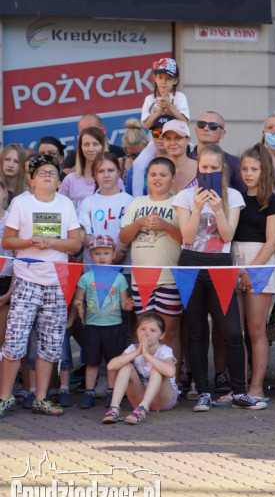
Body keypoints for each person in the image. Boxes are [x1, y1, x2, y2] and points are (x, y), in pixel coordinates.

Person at [173, 145, 260, 411]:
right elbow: (187, 238)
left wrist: (218, 208)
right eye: (204, 167)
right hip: (191, 265)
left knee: (233, 331)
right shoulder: (185, 196)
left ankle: (239, 392)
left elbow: (227, 235)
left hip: (221, 265)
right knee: (197, 332)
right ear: (198, 168)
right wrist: (198, 208)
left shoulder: (232, 195)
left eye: (213, 168)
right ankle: (203, 392)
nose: (208, 172)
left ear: (221, 169)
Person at [0, 154, 83, 418]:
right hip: (26, 280)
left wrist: (50, 243)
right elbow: (8, 240)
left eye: (52, 173)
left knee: (50, 345)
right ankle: (4, 397)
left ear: (59, 181)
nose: (47, 176)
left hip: (56, 283)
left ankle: (41, 398)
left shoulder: (66, 204)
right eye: (42, 173)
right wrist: (29, 243)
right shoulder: (20, 203)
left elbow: (75, 244)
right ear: (32, 181)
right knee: (14, 342)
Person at [232, 145, 275, 402]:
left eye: (254, 169)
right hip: (233, 260)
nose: (248, 173)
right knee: (234, 330)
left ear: (264, 170)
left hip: (260, 263)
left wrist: (249, 272)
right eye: (244, 169)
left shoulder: (272, 201)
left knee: (255, 329)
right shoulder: (235, 199)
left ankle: (256, 386)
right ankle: (239, 386)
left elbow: (272, 243)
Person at [119, 158, 184, 369]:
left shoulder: (178, 203)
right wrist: (139, 222)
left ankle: (173, 379)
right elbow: (124, 237)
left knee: (170, 331)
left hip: (170, 278)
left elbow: (186, 238)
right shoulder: (137, 204)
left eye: (163, 175)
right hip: (141, 280)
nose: (157, 179)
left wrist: (165, 225)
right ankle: (146, 375)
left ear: (173, 178)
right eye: (153, 175)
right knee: (145, 331)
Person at [71, 235, 131, 410]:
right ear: (91, 256)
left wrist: (128, 305)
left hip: (114, 327)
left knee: (112, 363)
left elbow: (124, 303)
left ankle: (112, 393)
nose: (102, 257)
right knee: (91, 362)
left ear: (113, 255)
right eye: (97, 253)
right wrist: (78, 305)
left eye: (106, 253)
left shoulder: (119, 278)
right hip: (92, 327)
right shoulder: (86, 278)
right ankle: (89, 393)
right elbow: (79, 298)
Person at [101, 312, 178, 424]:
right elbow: (111, 366)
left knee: (157, 369)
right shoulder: (133, 348)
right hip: (139, 397)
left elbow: (170, 372)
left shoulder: (164, 350)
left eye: (153, 330)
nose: (147, 334)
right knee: (126, 367)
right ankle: (114, 408)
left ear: (161, 335)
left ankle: (143, 409)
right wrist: (137, 352)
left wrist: (147, 355)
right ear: (137, 332)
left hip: (162, 400)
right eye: (143, 329)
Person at [77, 152, 132, 266]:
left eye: (110, 170)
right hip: (93, 271)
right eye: (101, 171)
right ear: (95, 175)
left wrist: (115, 257)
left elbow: (127, 237)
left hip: (123, 270)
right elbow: (85, 236)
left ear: (119, 172)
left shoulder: (130, 201)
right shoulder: (87, 203)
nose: (106, 175)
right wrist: (103, 258)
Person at [60, 126, 121, 207]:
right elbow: (61, 209)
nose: (91, 149)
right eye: (86, 145)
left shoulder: (114, 179)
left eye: (95, 144)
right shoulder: (70, 180)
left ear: (103, 146)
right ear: (80, 148)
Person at [191, 112, 246, 194]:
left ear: (222, 133)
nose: (206, 128)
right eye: (201, 124)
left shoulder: (235, 163)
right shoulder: (185, 158)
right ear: (196, 130)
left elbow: (243, 195)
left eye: (213, 126)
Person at [141, 57, 189, 129]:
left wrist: (169, 106)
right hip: (157, 138)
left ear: (175, 80)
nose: (163, 82)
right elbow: (147, 126)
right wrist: (160, 110)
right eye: (160, 78)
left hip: (175, 138)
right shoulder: (149, 99)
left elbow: (186, 123)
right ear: (155, 78)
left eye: (168, 78)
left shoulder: (180, 97)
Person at [158, 120, 198, 194]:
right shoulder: (156, 170)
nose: (173, 143)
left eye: (178, 138)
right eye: (168, 138)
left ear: (188, 140)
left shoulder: (202, 168)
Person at [119, 119, 150, 185]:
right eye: (132, 155)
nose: (137, 159)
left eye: (140, 154)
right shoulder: (120, 163)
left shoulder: (155, 162)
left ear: (146, 146)